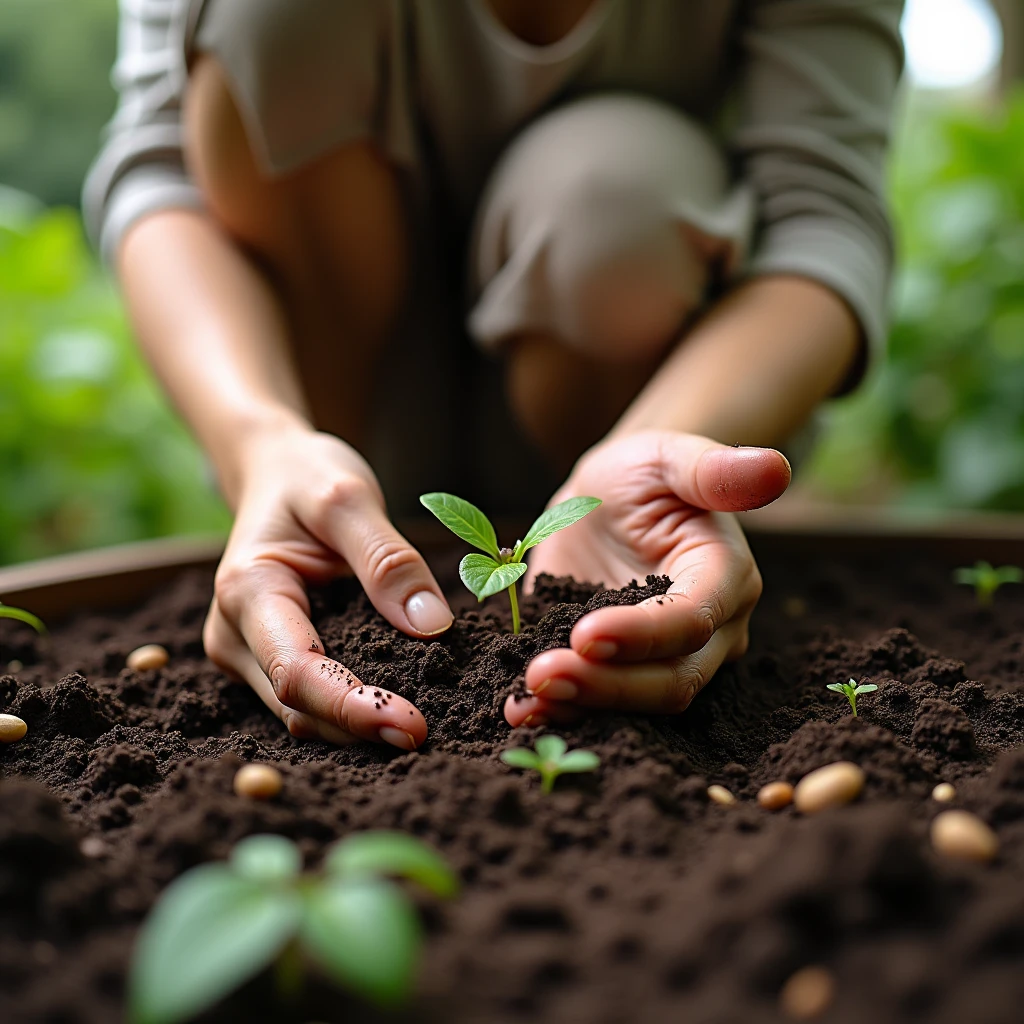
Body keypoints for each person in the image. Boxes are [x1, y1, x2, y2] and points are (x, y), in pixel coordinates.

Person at [84, 0, 904, 750]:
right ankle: (329, 533)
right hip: (351, 412)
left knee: (612, 197)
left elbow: (820, 214)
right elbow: (161, 170)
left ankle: (607, 568)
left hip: (610, 387)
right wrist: (260, 439)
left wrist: (670, 442)